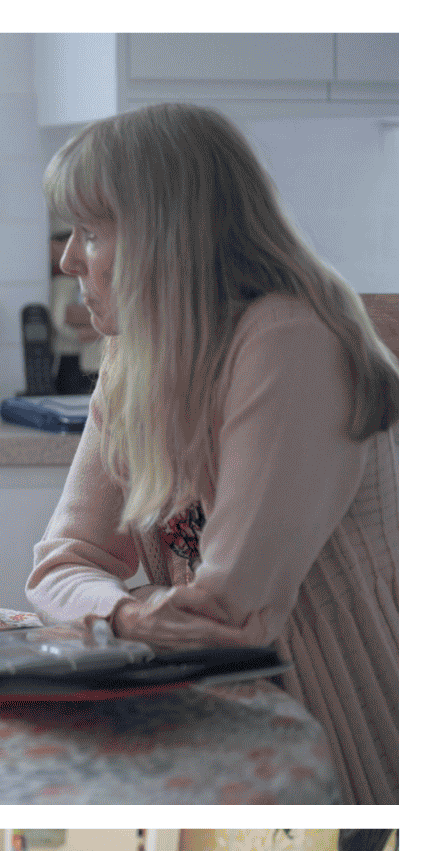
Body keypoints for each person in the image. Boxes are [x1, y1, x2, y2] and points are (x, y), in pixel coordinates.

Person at [26, 103, 398, 804]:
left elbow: (227, 619)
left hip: (335, 715)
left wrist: (113, 604)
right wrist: (125, 614)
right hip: (217, 708)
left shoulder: (289, 341)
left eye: (91, 234)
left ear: (163, 237)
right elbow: (57, 563)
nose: (69, 258)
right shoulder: (133, 356)